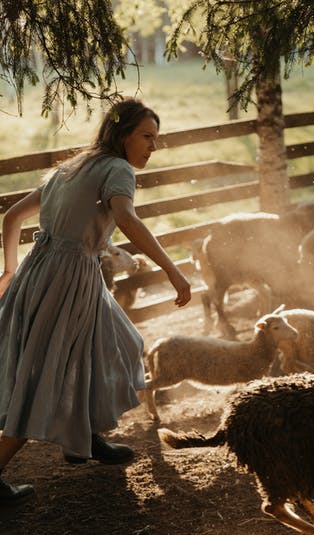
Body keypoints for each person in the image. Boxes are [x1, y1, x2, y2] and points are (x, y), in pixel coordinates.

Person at [0, 97, 191, 504]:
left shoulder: (70, 168)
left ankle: (81, 437)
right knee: (44, 372)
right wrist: (173, 270)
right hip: (69, 278)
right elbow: (125, 218)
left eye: (156, 139)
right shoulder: (118, 169)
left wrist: (11, 269)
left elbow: (11, 217)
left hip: (43, 271)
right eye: (146, 137)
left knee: (115, 344)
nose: (153, 147)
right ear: (122, 135)